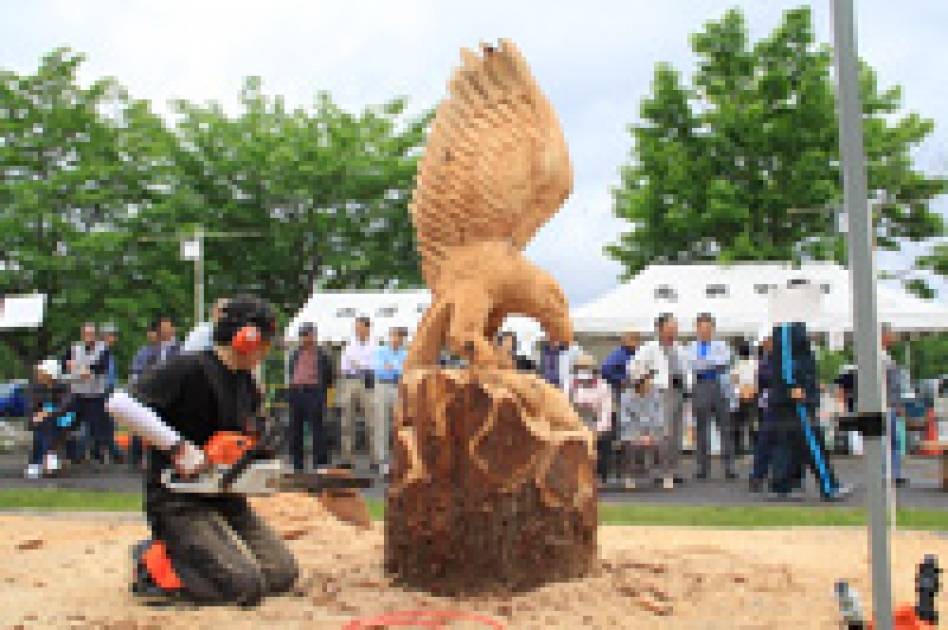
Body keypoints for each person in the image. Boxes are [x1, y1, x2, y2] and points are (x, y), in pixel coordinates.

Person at [107, 295, 298, 606]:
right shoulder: (190, 367)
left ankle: (195, 553)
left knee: (281, 574)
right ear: (245, 338)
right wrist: (178, 448)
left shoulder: (246, 384)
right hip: (176, 498)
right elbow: (119, 403)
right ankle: (153, 564)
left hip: (224, 495)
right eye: (264, 342)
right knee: (243, 586)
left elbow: (242, 441)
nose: (266, 350)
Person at [769, 322, 850, 501]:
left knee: (787, 441)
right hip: (796, 396)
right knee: (812, 440)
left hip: (790, 394)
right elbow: (786, 357)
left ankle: (781, 485)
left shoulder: (789, 327)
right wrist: (793, 385)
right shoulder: (788, 326)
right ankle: (829, 486)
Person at [627, 314, 690, 486]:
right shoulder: (648, 348)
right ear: (659, 329)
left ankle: (674, 470)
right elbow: (633, 368)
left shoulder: (680, 348)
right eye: (670, 328)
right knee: (662, 433)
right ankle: (660, 471)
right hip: (660, 392)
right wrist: (649, 380)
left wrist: (688, 384)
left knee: (677, 432)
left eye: (675, 328)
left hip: (679, 391)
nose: (673, 331)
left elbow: (687, 369)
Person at [686, 313, 736, 481]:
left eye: (707, 328)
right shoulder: (691, 346)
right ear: (697, 329)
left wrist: (705, 362)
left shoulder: (722, 345)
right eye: (701, 328)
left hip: (719, 386)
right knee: (702, 429)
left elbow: (725, 361)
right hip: (700, 385)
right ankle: (702, 467)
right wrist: (711, 363)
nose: (704, 332)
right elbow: (692, 364)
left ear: (713, 329)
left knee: (725, 428)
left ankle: (729, 467)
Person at [61, 322, 111, 465]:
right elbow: (63, 364)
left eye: (91, 334)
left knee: (96, 427)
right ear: (82, 334)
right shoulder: (74, 348)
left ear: (96, 335)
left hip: (95, 396)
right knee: (67, 423)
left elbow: (101, 366)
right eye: (85, 333)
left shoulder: (103, 349)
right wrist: (69, 365)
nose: (88, 336)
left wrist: (82, 368)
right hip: (76, 395)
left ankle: (97, 456)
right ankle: (71, 455)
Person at [286, 323, 334, 472]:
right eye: (302, 335)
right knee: (295, 429)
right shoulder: (295, 354)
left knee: (317, 429)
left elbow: (329, 376)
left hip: (313, 392)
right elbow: (291, 372)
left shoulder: (322, 355)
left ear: (314, 336)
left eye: (307, 334)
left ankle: (319, 464)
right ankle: (297, 465)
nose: (304, 338)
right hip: (296, 392)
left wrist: (320, 392)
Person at [618, 375, 674, 489]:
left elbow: (660, 417)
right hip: (633, 430)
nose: (649, 384)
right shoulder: (625, 397)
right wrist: (639, 435)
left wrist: (649, 434)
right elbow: (624, 419)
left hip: (653, 429)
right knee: (630, 445)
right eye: (646, 381)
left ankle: (667, 476)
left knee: (663, 443)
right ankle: (629, 477)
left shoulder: (656, 395)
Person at [339, 316, 378, 471]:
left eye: (360, 327)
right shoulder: (349, 345)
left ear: (368, 328)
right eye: (356, 327)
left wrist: (359, 365)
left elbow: (374, 365)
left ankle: (375, 458)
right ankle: (347, 458)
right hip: (350, 381)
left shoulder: (375, 346)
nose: (357, 330)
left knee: (371, 421)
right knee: (347, 420)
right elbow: (344, 366)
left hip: (367, 382)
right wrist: (360, 366)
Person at [567, 354, 613, 484]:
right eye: (579, 368)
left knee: (604, 439)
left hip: (596, 423)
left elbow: (606, 412)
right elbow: (566, 407)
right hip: (576, 423)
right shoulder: (570, 385)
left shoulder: (603, 386)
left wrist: (596, 431)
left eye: (586, 368)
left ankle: (600, 475)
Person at [24, 360, 73, 479]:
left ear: (50, 374)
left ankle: (37, 462)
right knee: (41, 426)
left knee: (48, 423)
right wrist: (36, 416)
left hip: (65, 418)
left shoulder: (64, 388)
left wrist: (48, 412)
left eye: (42, 372)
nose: (38, 375)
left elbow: (65, 407)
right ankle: (48, 456)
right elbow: (31, 407)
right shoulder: (35, 388)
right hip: (43, 420)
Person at [374, 327, 408, 477]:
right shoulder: (381, 351)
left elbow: (406, 371)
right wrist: (397, 368)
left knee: (399, 424)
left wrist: (392, 367)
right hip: (382, 386)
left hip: (399, 388)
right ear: (390, 336)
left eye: (400, 336)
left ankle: (399, 461)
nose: (396, 339)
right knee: (381, 423)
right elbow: (379, 370)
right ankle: (383, 463)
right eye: (394, 335)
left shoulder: (406, 353)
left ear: (403, 339)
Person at [128, 325, 162, 469]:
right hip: (144, 391)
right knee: (139, 425)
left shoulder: (166, 351)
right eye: (150, 333)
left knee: (157, 426)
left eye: (154, 333)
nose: (152, 336)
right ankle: (135, 458)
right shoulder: (142, 352)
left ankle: (154, 459)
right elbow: (135, 372)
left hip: (160, 392)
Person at [749, 329, 775, 492]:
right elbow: (763, 381)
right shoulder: (765, 360)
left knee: (780, 442)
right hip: (769, 404)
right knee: (764, 441)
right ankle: (757, 476)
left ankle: (784, 477)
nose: (766, 345)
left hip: (780, 404)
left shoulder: (783, 358)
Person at [881, 323, 907, 487]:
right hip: (885, 404)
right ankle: (889, 473)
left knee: (893, 440)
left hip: (889, 404)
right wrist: (896, 404)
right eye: (892, 334)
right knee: (889, 440)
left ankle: (894, 473)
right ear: (883, 336)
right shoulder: (880, 357)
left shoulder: (885, 356)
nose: (895, 337)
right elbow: (889, 384)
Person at [99, 322, 124, 464]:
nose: (114, 338)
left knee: (110, 423)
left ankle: (112, 452)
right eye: (111, 335)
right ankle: (109, 452)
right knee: (103, 423)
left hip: (109, 391)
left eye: (114, 335)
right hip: (100, 392)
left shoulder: (109, 354)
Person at [730, 339, 758, 457]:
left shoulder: (736, 364)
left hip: (740, 396)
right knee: (752, 424)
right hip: (751, 395)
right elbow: (757, 379)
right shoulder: (755, 363)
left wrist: (741, 390)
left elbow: (734, 380)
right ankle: (754, 449)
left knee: (738, 424)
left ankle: (738, 449)